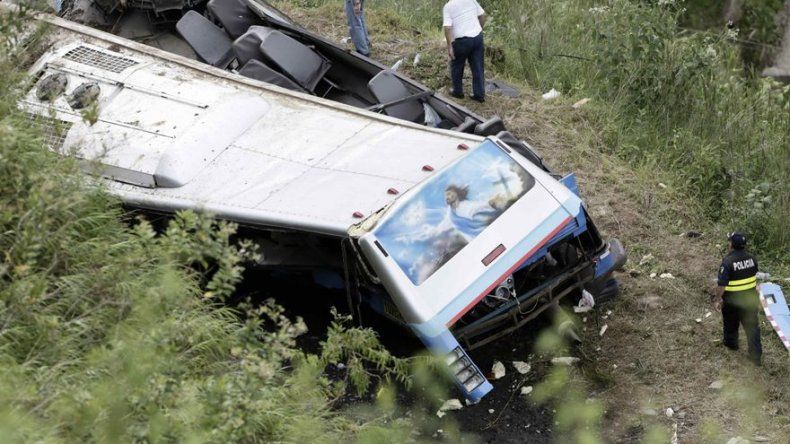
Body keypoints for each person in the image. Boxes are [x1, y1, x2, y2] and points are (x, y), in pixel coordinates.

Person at [712, 231, 762, 365]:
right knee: (752, 328)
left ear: (732, 244)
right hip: (750, 300)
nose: (728, 243)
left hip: (732, 302)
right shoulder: (752, 259)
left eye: (729, 241)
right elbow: (755, 278)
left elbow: (722, 285)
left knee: (730, 324)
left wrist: (717, 299)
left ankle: (731, 344)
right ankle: (755, 357)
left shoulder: (727, 262)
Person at [442, 0, 486, 102]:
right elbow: (483, 15)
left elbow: (448, 28)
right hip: (477, 38)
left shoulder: (448, 7)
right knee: (478, 66)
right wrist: (479, 29)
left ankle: (457, 92)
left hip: (462, 41)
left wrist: (449, 46)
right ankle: (479, 95)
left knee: (457, 65)